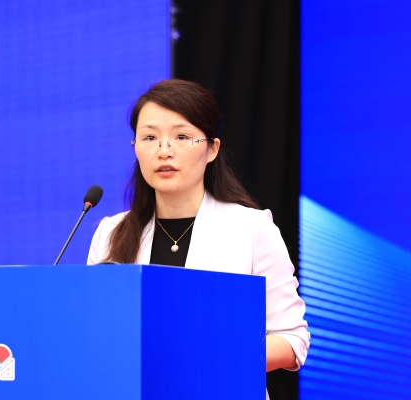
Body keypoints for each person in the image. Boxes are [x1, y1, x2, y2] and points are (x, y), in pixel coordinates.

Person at [87, 79, 309, 394]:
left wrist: (209, 354)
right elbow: (96, 331)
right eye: (150, 137)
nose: (164, 151)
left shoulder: (251, 227)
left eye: (181, 137)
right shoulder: (111, 232)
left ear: (212, 149)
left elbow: (291, 339)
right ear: (135, 148)